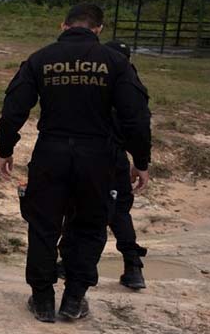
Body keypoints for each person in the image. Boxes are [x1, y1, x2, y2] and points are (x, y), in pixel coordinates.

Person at [0, 4, 151, 323]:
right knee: (90, 225)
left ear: (63, 25)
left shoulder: (41, 58)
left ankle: (41, 299)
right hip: (97, 155)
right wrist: (140, 160)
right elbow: (135, 117)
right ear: (99, 29)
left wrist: (6, 148)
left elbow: (14, 107)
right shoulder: (116, 63)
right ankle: (74, 298)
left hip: (51, 151)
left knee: (43, 226)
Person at [59, 39, 150, 290]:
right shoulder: (131, 86)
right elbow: (139, 126)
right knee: (118, 213)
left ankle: (70, 264)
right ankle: (132, 267)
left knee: (76, 208)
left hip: (84, 154)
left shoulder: (92, 84)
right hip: (115, 158)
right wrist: (141, 162)